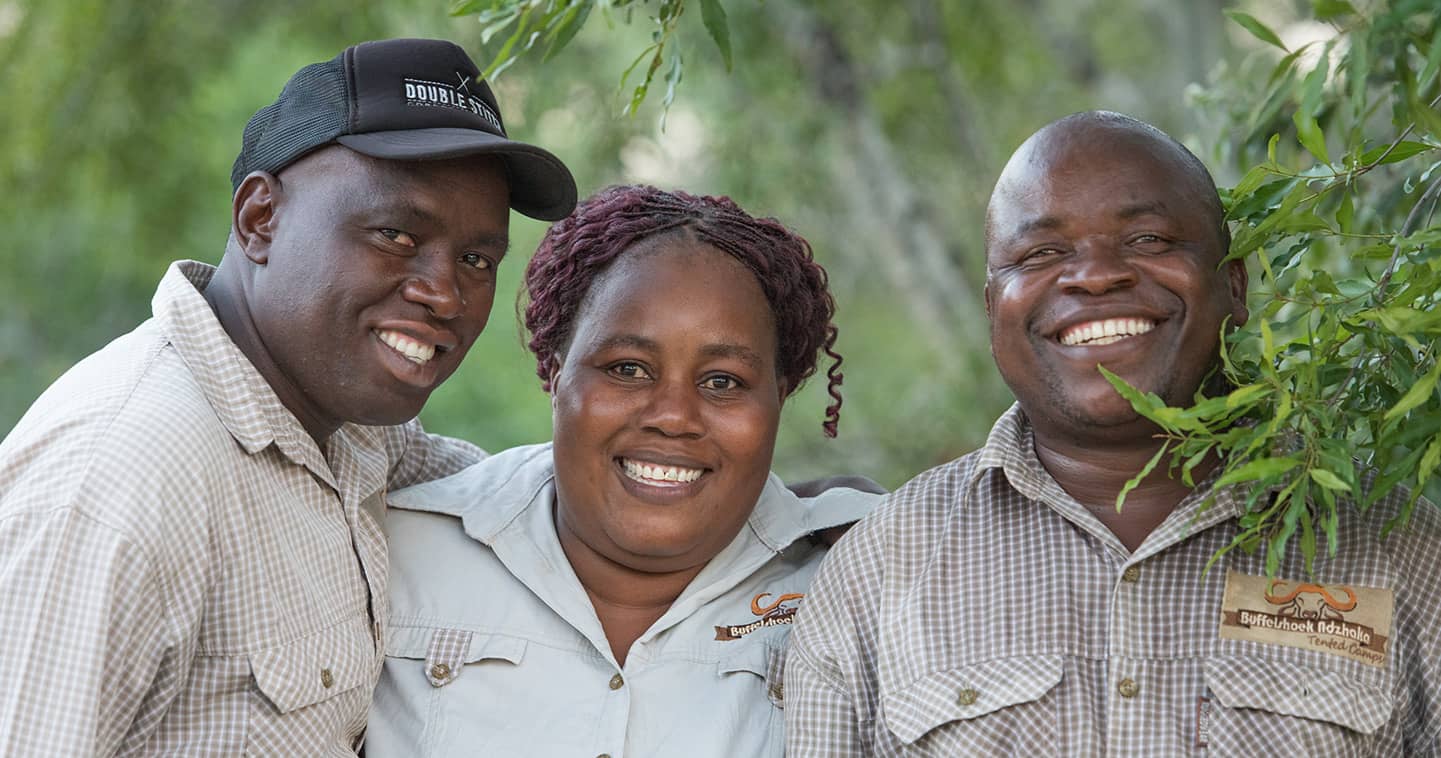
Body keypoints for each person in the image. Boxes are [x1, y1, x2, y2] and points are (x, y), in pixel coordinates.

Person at [785, 111, 1441, 755]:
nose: (1096, 274)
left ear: (1234, 285)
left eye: (1148, 240)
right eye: (1042, 252)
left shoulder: (1403, 553)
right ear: (994, 310)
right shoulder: (878, 570)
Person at [0, 38, 576, 755]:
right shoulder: (119, 479)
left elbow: (521, 501)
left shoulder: (347, 429)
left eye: (476, 260)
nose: (444, 293)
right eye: (396, 234)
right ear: (259, 219)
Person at [364, 185, 881, 757]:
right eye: (628, 369)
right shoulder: (389, 553)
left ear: (779, 398)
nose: (673, 417)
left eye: (723, 382)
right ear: (556, 374)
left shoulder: (861, 584)